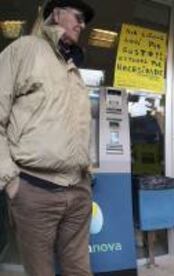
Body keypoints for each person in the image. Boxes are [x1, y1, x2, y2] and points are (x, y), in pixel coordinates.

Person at [0, 0, 95, 275]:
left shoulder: (73, 68)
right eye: (77, 16)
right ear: (56, 13)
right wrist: (11, 182)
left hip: (78, 191)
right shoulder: (24, 50)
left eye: (84, 20)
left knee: (79, 270)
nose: (82, 24)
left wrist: (85, 179)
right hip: (34, 190)